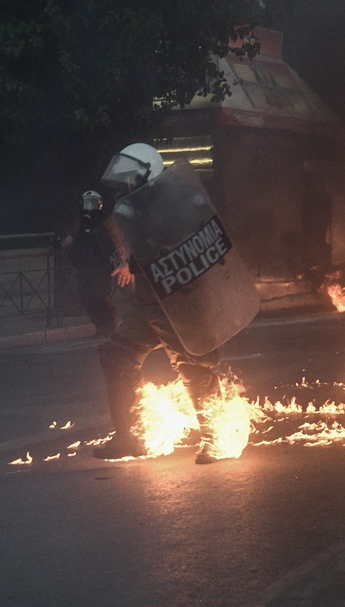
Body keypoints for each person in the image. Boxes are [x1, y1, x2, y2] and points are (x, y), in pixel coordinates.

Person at [93, 144, 228, 463]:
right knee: (117, 356)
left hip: (178, 299)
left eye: (129, 178)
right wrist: (131, 263)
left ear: (146, 174)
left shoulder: (173, 202)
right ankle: (131, 436)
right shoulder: (136, 208)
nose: (124, 185)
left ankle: (218, 438)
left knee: (193, 365)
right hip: (149, 303)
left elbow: (184, 243)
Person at [60, 190, 116, 337]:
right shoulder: (81, 223)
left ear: (100, 205)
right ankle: (100, 326)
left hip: (100, 267)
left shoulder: (104, 222)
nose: (89, 207)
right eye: (86, 203)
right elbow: (77, 240)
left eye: (92, 203)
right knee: (86, 297)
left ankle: (109, 327)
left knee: (100, 297)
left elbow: (110, 242)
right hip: (84, 267)